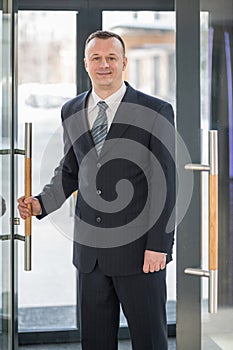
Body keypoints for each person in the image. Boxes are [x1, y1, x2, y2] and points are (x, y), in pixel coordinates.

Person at [18, 30, 175, 350]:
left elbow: (166, 183)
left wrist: (159, 244)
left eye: (111, 58)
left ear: (124, 63)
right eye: (96, 58)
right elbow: (70, 170)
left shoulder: (155, 110)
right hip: (90, 256)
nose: (104, 64)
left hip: (141, 253)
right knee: (95, 342)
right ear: (85, 64)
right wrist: (40, 204)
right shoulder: (71, 110)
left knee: (150, 341)